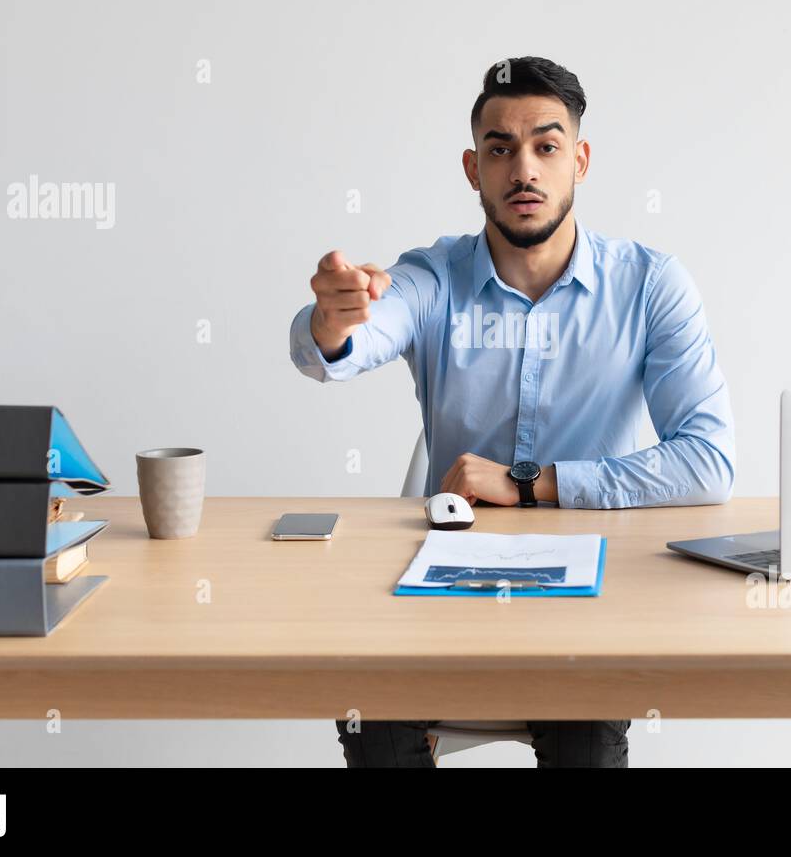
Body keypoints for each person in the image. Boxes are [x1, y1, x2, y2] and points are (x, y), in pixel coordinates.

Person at [290, 56, 736, 767]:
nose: (522, 169)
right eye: (500, 149)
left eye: (546, 146)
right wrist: (333, 323)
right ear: (473, 168)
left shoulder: (651, 285)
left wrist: (533, 484)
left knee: (585, 735)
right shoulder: (433, 277)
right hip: (441, 592)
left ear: (580, 160)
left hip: (586, 603)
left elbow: (709, 462)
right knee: (363, 702)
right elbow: (344, 344)